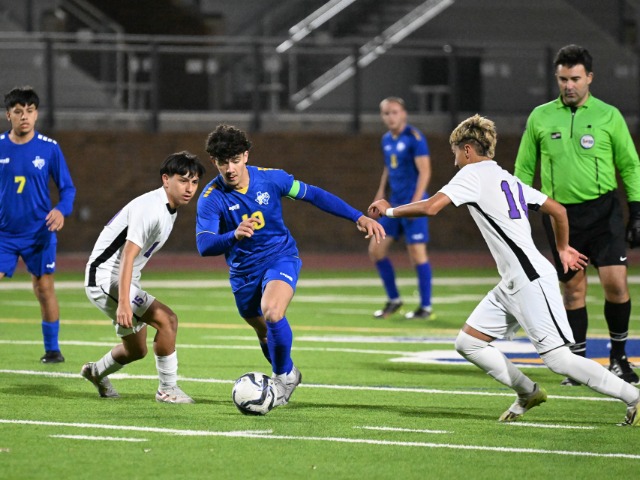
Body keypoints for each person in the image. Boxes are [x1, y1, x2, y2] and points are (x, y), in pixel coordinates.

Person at [368, 114, 640, 426]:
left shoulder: (472, 174)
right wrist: (563, 247)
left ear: (467, 150)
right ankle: (527, 392)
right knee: (468, 343)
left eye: (455, 152)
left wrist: (389, 210)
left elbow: (431, 207)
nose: (454, 160)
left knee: (559, 360)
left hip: (530, 279)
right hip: (513, 281)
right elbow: (557, 210)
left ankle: (633, 397)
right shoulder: (505, 177)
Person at [196, 124, 385, 409]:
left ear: (246, 155)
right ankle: (289, 372)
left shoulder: (272, 179)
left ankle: (281, 379)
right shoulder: (211, 199)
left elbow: (314, 195)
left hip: (279, 256)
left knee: (273, 311)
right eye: (223, 162)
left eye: (235, 160)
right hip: (243, 272)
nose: (230, 168)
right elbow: (205, 245)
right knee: (264, 332)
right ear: (214, 161)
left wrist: (358, 217)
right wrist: (233, 235)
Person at [514, 44, 640, 386]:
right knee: (572, 291)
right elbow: (523, 168)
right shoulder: (541, 116)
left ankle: (619, 358)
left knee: (616, 284)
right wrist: (517, 213)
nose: (569, 85)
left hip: (604, 212)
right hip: (560, 217)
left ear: (589, 78)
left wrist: (637, 211)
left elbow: (630, 165)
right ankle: (578, 362)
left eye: (575, 79)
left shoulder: (608, 115)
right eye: (563, 79)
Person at [82, 151, 205, 403]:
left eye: (194, 182)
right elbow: (128, 255)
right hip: (105, 278)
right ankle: (167, 389)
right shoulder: (151, 208)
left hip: (119, 279)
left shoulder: (168, 209)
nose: (190, 188)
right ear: (165, 179)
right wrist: (124, 302)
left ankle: (95, 372)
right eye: (183, 180)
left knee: (136, 350)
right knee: (167, 320)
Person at [0, 86, 76, 364]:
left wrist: (61, 210)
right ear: (8, 115)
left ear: (36, 114)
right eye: (18, 111)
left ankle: (53, 350)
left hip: (39, 233)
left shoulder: (49, 148)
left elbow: (67, 189)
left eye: (30, 111)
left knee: (44, 288)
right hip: (4, 234)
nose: (25, 116)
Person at [369, 97, 434, 320]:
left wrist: (416, 204)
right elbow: (388, 168)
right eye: (386, 113)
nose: (391, 117)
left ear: (404, 114)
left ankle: (425, 307)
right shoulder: (386, 139)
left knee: (417, 253)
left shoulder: (414, 138)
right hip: (393, 205)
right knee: (376, 250)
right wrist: (380, 194)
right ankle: (394, 299)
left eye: (395, 112)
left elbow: (425, 171)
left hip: (412, 203)